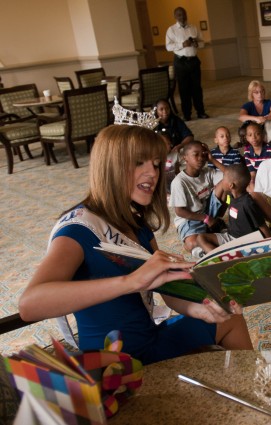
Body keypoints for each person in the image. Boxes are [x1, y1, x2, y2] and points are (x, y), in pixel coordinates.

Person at [18, 125, 251, 365]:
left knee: (231, 320)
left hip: (149, 343)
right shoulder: (78, 230)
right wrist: (131, 282)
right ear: (111, 166)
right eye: (139, 162)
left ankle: (254, 392)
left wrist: (201, 310)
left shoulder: (137, 224)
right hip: (111, 366)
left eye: (156, 164)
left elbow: (168, 291)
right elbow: (30, 305)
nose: (153, 173)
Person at [170, 141, 226, 257]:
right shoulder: (179, 182)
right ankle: (207, 244)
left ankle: (214, 231)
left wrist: (212, 160)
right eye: (196, 155)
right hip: (190, 219)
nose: (201, 158)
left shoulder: (207, 172)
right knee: (191, 243)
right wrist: (205, 218)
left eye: (203, 154)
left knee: (226, 183)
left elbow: (230, 176)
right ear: (185, 158)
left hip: (209, 212)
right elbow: (179, 211)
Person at [165, 7, 208, 121]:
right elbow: (168, 46)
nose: (182, 17)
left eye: (183, 14)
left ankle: (201, 112)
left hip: (193, 61)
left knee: (197, 88)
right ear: (175, 16)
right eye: (179, 15)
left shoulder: (193, 28)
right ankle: (187, 114)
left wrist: (196, 43)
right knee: (184, 89)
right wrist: (182, 44)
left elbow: (202, 43)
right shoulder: (171, 30)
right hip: (180, 62)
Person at [218, 164, 271, 240]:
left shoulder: (248, 203)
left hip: (245, 241)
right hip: (232, 235)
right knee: (202, 238)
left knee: (202, 239)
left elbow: (263, 226)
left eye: (223, 179)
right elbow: (225, 210)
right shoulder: (230, 196)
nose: (221, 181)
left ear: (231, 185)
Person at [243, 122, 271, 191]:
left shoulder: (270, 149)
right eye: (250, 135)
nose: (254, 137)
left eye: (257, 134)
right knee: (249, 188)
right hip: (258, 178)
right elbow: (252, 172)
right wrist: (252, 181)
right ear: (247, 138)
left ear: (263, 135)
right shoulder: (247, 152)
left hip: (270, 177)